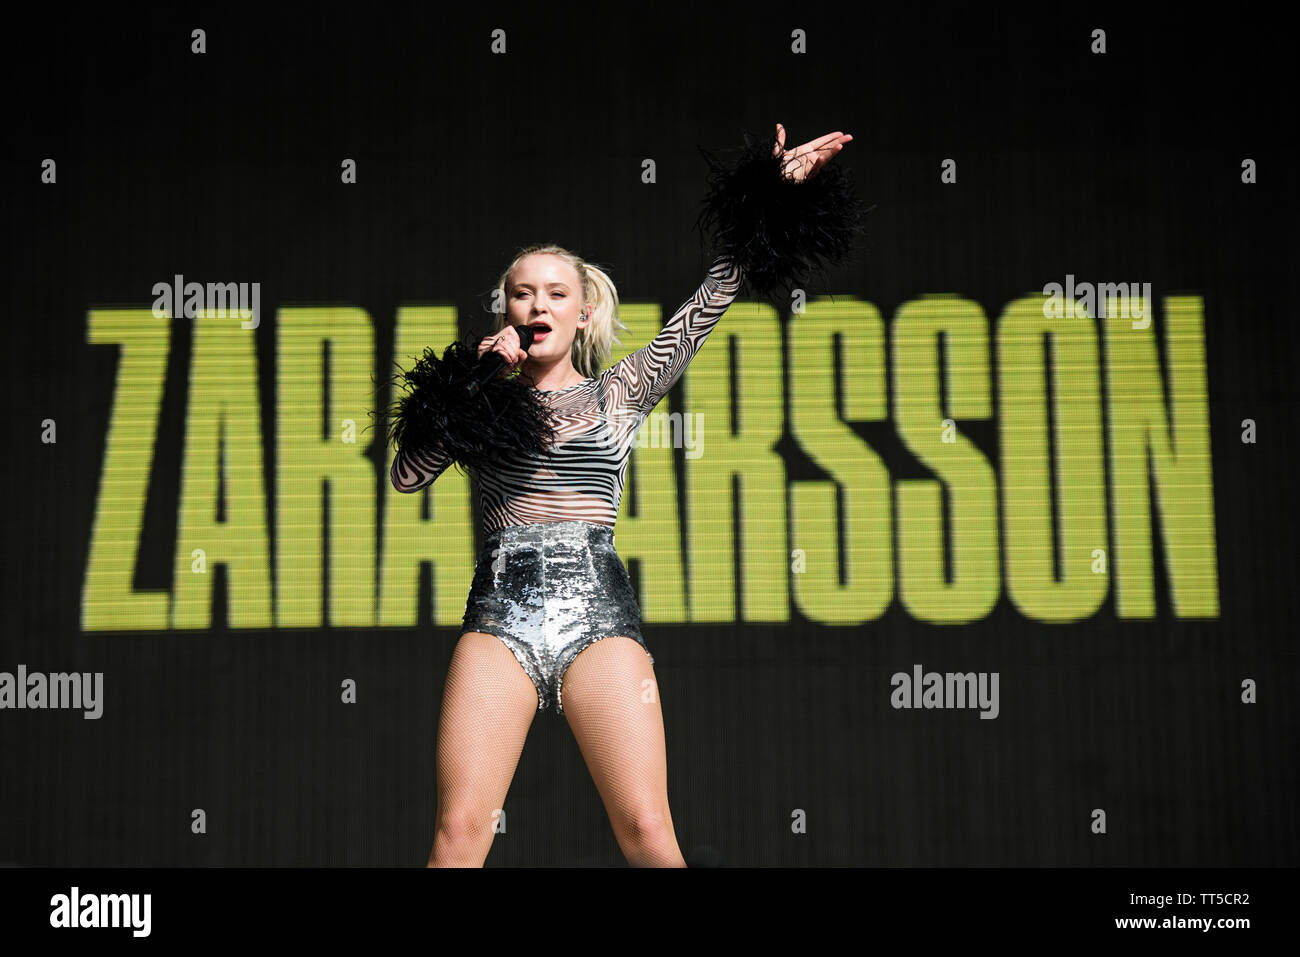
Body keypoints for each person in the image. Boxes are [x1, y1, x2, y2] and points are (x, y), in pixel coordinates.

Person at [390, 124, 855, 867]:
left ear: (582, 313)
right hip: (499, 614)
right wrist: (473, 381)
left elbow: (710, 300)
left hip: (598, 614)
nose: (535, 303)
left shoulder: (621, 390)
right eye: (520, 292)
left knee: (645, 827)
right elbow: (407, 474)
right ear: (506, 311)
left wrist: (772, 192)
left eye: (554, 292)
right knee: (457, 833)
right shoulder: (479, 403)